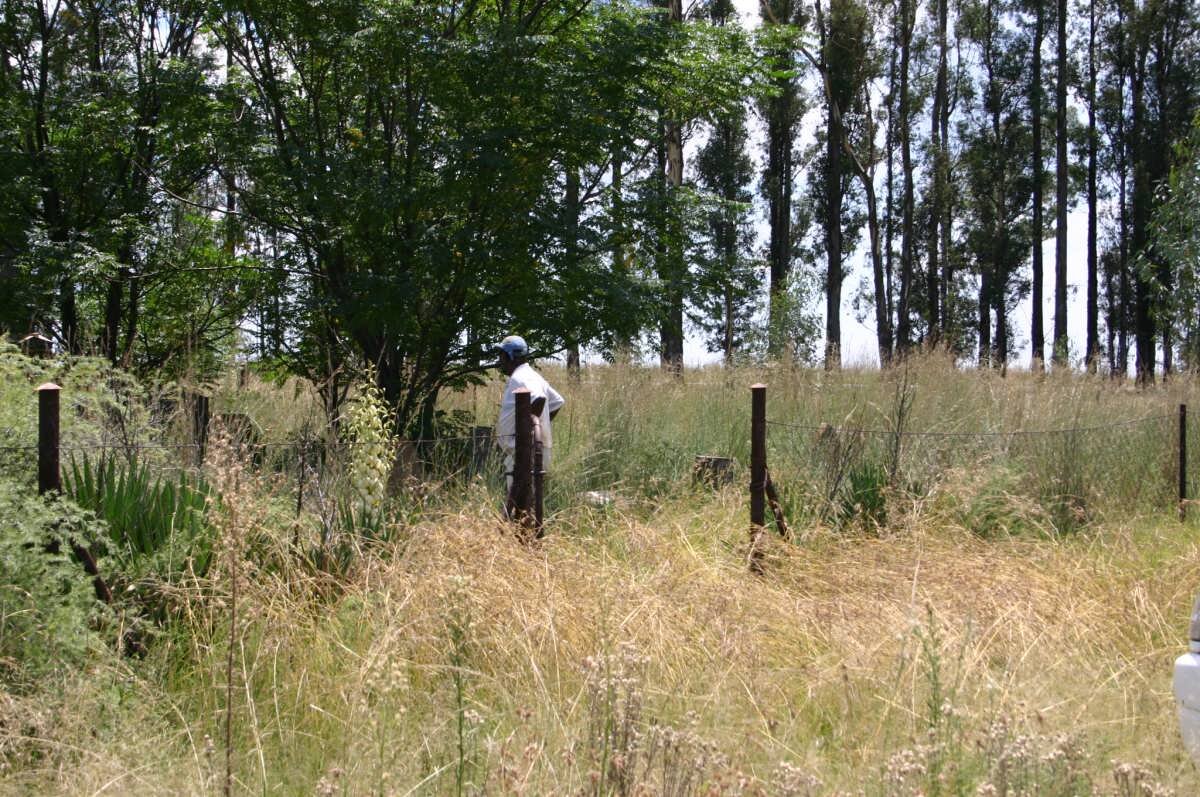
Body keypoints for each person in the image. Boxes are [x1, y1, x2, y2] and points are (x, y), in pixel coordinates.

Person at [494, 335, 564, 497]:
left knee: (521, 508)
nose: (500, 360)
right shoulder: (530, 375)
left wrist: (528, 434)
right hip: (527, 450)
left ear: (509, 355)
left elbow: (538, 399)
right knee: (526, 507)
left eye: (501, 355)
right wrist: (537, 426)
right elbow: (557, 402)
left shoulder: (521, 378)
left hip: (525, 453)